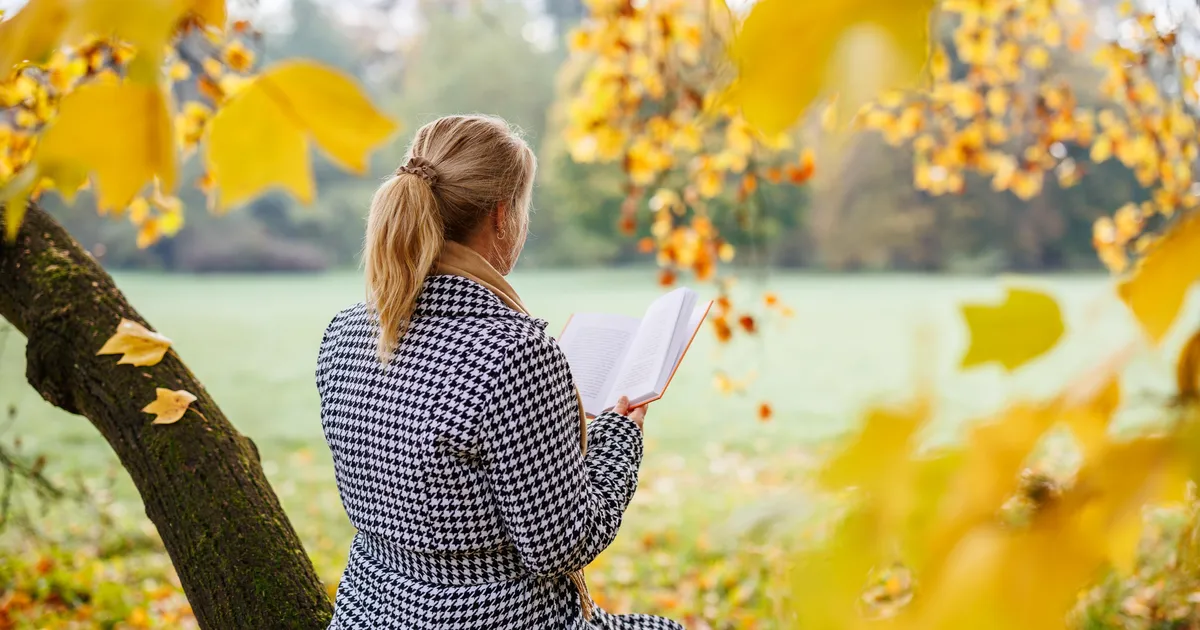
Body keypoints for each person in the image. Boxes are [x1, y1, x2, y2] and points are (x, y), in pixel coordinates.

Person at [316, 114, 685, 630]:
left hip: (370, 613)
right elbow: (562, 546)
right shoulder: (514, 353)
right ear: (502, 216)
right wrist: (620, 436)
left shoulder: (345, 333)